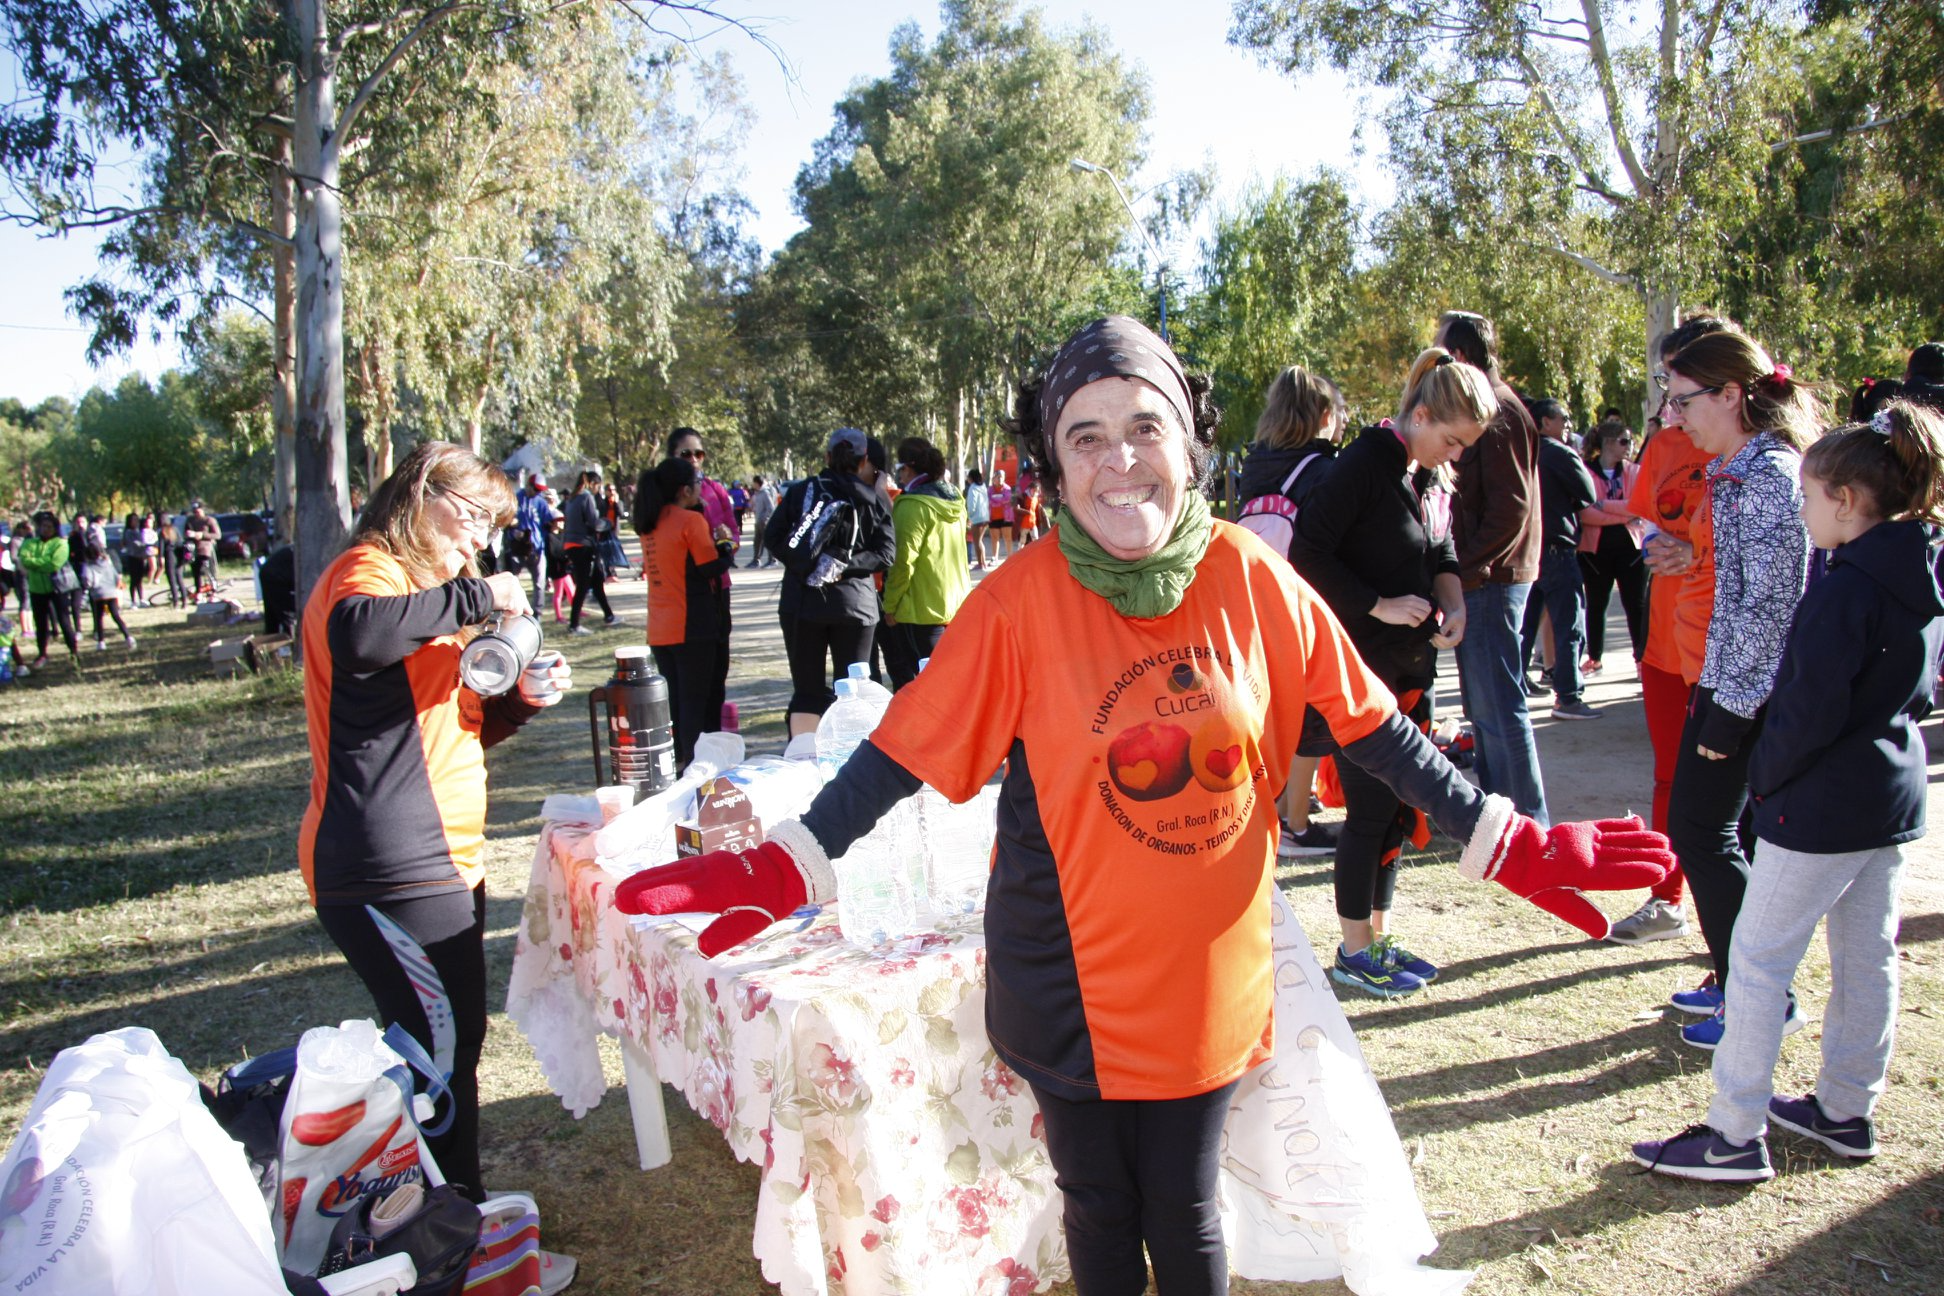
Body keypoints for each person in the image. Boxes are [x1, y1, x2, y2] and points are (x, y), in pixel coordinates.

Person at [613, 316, 1673, 1296]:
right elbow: (895, 754)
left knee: (1189, 1201)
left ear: (1190, 442)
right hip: (1061, 971)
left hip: (1209, 969)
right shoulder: (1017, 601)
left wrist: (1506, 836)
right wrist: (789, 859)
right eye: (1086, 438)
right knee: (1100, 1205)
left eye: (1143, 427)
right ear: (1054, 464)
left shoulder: (1252, 576)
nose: (1119, 460)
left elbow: (1374, 731)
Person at [1633, 400, 1944, 1181]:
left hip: (1824, 804)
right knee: (1866, 957)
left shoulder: (1845, 590)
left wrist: (1764, 780)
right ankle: (1846, 1109)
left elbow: (1808, 707)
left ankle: (1733, 1133)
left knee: (1759, 959)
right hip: (1890, 795)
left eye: (1808, 498)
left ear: (1845, 501)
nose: (1800, 512)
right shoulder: (1919, 569)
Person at [298, 441, 571, 1208]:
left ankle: (450, 1229)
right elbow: (357, 633)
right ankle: (450, 1242)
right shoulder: (372, 573)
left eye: (492, 525)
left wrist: (520, 699)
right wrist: (481, 598)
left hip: (444, 860)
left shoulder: (426, 595)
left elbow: (449, 728)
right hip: (389, 865)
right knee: (438, 1062)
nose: (480, 539)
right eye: (474, 516)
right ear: (420, 494)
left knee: (450, 1052)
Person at [1291, 350, 1493, 996]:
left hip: (1412, 667)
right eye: (1452, 440)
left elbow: (1440, 549)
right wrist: (1379, 604)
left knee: (1400, 811)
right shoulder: (1364, 464)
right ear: (1423, 414)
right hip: (1358, 674)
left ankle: (1375, 936)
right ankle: (1354, 952)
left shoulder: (1424, 474)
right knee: (1371, 807)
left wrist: (1452, 603)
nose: (1454, 456)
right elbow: (1306, 552)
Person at [1658, 324, 1820, 1049]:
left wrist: (1729, 709)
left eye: (1685, 399)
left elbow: (1770, 608)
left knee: (1704, 830)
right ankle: (1742, 984)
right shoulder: (1738, 471)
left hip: (1744, 696)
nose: (1675, 416)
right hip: (1724, 684)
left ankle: (1760, 997)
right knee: (1705, 830)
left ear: (1731, 395)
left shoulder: (1768, 479)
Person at [1438, 310, 1549, 823]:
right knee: (1485, 711)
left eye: (1441, 353)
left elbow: (1512, 507)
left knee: (1500, 708)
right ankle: (1501, 820)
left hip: (1493, 579)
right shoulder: (1494, 407)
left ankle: (1526, 823)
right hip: (1485, 577)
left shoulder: (1498, 410)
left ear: (1460, 357)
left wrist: (1465, 568)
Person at [1236, 364, 1345, 859]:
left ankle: (1282, 801)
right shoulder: (1323, 471)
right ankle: (1295, 824)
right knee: (1312, 715)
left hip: (1258, 595)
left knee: (1274, 707)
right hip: (1305, 597)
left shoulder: (1255, 466)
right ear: (1323, 415)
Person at [763, 427, 896, 736]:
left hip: (802, 603)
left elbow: (773, 537)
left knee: (807, 690)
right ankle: (852, 764)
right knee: (853, 690)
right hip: (855, 607)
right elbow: (887, 554)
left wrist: (809, 565)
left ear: (826, 457)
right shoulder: (873, 500)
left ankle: (805, 759)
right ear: (864, 461)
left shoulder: (801, 492)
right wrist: (844, 566)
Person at [633, 456, 737, 767]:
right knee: (698, 701)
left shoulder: (649, 522)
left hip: (661, 626)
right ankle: (696, 764)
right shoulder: (690, 522)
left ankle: (677, 760)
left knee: (675, 701)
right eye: (696, 484)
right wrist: (727, 545)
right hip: (693, 625)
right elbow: (710, 568)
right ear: (684, 490)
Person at [1518, 398, 1601, 720]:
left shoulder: (1520, 450)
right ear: (1543, 422)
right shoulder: (1558, 452)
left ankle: (1515, 688)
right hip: (1557, 551)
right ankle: (1567, 696)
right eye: (1562, 418)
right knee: (1568, 625)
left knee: (1523, 627)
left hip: (1527, 549)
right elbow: (1588, 493)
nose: (1567, 424)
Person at [882, 436, 970, 688]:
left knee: (929, 687)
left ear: (907, 469)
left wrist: (890, 605)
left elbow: (902, 563)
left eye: (899, 470)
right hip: (955, 605)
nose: (898, 476)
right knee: (950, 683)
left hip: (921, 610)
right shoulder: (954, 500)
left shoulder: (911, 506)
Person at [668, 427, 736, 728]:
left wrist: (724, 542)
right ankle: (689, 749)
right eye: (686, 454)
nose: (694, 459)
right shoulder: (663, 495)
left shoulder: (715, 489)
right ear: (672, 456)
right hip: (684, 597)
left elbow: (734, 534)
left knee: (718, 670)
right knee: (688, 683)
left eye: (699, 453)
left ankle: (714, 736)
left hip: (718, 589)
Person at [1576, 421, 1648, 674]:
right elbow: (1585, 513)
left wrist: (1604, 506)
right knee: (1596, 604)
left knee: (1636, 606)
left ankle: (1642, 659)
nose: (1629, 447)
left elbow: (1640, 506)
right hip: (1595, 552)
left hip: (1631, 550)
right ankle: (1594, 657)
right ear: (1608, 443)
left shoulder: (1634, 471)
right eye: (1624, 441)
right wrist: (1624, 513)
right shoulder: (1586, 471)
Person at [560, 468, 619, 635]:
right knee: (583, 585)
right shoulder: (586, 496)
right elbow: (593, 522)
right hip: (583, 545)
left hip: (572, 545)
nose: (598, 490)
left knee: (597, 580)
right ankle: (574, 625)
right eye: (597, 486)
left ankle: (609, 616)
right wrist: (606, 523)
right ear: (592, 484)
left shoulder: (572, 498)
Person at [19, 510, 80, 666]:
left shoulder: (60, 543)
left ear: (55, 528)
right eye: (43, 526)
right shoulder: (29, 543)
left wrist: (35, 563)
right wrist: (41, 563)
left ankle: (73, 651)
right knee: (41, 623)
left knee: (64, 620)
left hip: (57, 589)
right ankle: (42, 654)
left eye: (49, 526)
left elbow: (54, 564)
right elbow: (24, 560)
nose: (45, 529)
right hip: (36, 588)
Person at [80, 540, 136, 650]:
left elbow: (88, 581)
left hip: (98, 594)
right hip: (111, 592)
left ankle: (101, 642)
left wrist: (88, 587)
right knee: (115, 615)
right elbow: (116, 577)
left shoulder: (88, 566)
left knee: (99, 618)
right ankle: (128, 636)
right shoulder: (107, 563)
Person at [512, 473, 557, 604]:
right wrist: (513, 526)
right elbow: (506, 519)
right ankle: (513, 610)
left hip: (537, 548)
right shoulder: (515, 498)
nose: (537, 493)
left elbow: (548, 523)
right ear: (528, 485)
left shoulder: (541, 502)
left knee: (539, 583)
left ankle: (537, 614)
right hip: (517, 546)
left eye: (540, 490)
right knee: (512, 581)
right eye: (536, 489)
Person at [183, 500, 220, 599]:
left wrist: (202, 535)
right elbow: (185, 532)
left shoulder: (209, 520)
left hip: (206, 548)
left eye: (198, 510)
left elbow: (217, 535)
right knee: (196, 571)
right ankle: (198, 591)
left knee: (207, 570)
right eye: (194, 511)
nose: (196, 513)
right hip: (194, 549)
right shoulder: (190, 520)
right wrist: (189, 535)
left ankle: (213, 590)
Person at [543, 514, 574, 622]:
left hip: (565, 568)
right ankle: (559, 616)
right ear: (552, 523)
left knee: (571, 590)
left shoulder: (562, 535)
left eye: (562, 521)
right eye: (559, 521)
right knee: (558, 593)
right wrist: (564, 557)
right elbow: (552, 554)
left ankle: (576, 610)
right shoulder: (549, 537)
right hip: (557, 569)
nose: (562, 523)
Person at [746, 474, 778, 568]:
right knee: (757, 542)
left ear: (757, 483)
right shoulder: (758, 493)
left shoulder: (765, 493)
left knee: (767, 541)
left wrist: (764, 518)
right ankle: (756, 560)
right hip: (758, 521)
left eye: (754, 483)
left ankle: (772, 560)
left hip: (764, 522)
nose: (752, 485)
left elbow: (770, 508)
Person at [964, 467, 991, 569]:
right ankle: (983, 562)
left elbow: (972, 504)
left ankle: (980, 563)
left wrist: (969, 515)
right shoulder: (983, 487)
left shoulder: (972, 488)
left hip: (976, 518)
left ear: (971, 478)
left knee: (977, 542)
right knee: (980, 541)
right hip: (985, 516)